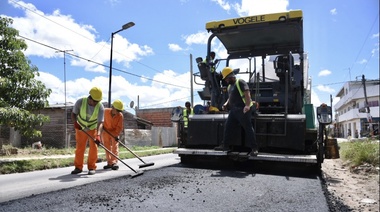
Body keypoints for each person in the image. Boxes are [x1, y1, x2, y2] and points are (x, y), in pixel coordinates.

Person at [214, 67, 259, 157]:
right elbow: (230, 97)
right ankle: (225, 145)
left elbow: (247, 93)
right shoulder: (230, 86)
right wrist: (226, 104)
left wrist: (247, 105)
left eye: (226, 78)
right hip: (234, 110)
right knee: (228, 126)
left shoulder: (240, 82)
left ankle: (254, 149)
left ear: (230, 76)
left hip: (243, 109)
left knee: (248, 128)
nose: (226, 80)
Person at [71, 87, 105, 175]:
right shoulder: (80, 102)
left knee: (94, 147)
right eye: (95, 101)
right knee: (80, 148)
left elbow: (100, 122)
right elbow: (74, 114)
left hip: (92, 128)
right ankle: (78, 167)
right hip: (80, 128)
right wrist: (75, 123)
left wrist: (98, 135)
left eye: (97, 101)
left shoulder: (100, 106)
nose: (96, 103)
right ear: (90, 98)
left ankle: (92, 167)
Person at [102, 99, 124, 170]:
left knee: (115, 146)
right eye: (117, 110)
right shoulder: (105, 111)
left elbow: (119, 127)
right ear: (113, 108)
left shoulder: (120, 115)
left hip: (114, 132)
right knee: (107, 147)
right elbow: (99, 119)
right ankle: (109, 163)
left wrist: (116, 135)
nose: (118, 112)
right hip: (105, 131)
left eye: (119, 111)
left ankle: (114, 162)